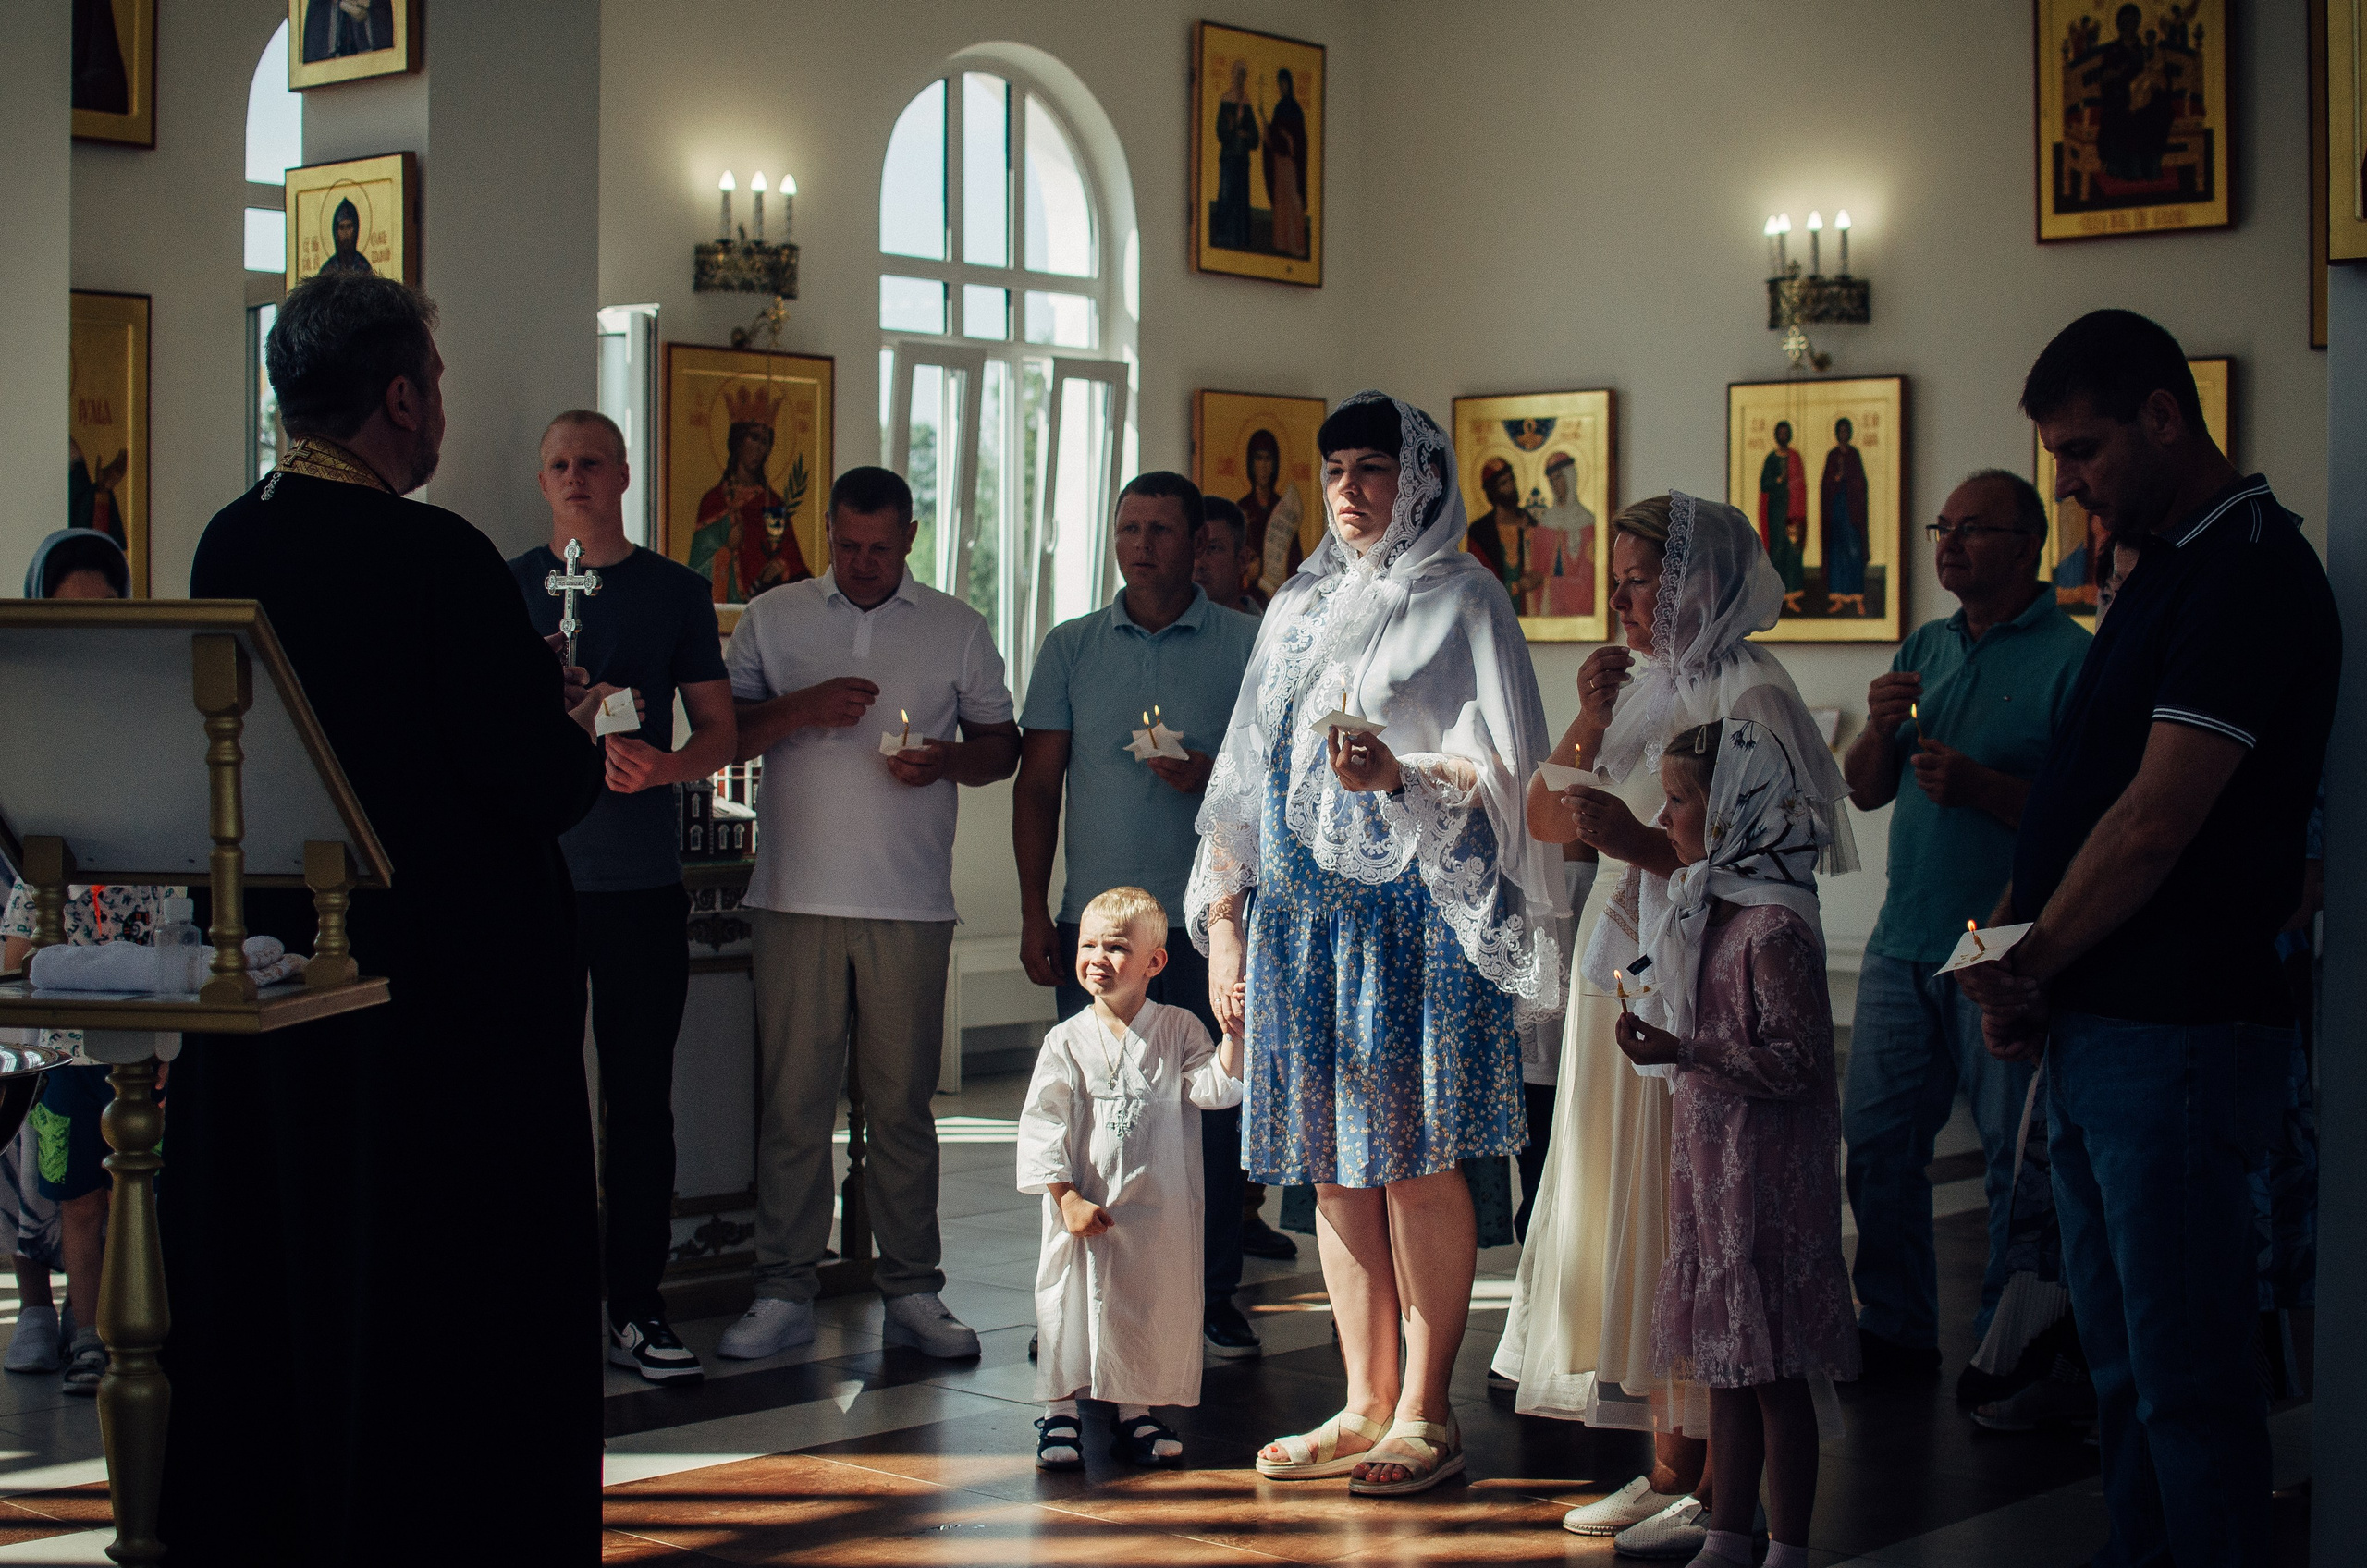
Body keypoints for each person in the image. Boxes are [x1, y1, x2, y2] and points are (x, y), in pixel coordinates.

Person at [167, 272, 612, 1564]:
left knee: (292, 1267)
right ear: (403, 396)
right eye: (436, 387)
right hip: (443, 1007)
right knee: (438, 1295)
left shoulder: (229, 539)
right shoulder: (439, 554)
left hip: (286, 976)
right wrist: (563, 717)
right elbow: (528, 784)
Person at [1959, 309, 2338, 1567]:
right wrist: (2018, 949)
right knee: (2118, 1375)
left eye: (2083, 454)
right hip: (2102, 1025)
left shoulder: (2253, 571)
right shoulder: (2161, 565)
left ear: (2164, 417)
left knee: (2185, 1380)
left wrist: (2034, 957)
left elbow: (2157, 821)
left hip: (2177, 1034)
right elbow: (2086, 785)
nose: (2068, 486)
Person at [1193, 391, 1564, 1497]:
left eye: (1374, 468)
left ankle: (1426, 1408)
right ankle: (1360, 1401)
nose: (1350, 490)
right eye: (1336, 468)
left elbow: (1510, 776)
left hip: (1411, 920)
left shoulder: (1466, 600)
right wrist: (1222, 922)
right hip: (1302, 921)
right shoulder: (1296, 605)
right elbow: (1241, 781)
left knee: (1410, 1161)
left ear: (1423, 480)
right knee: (1333, 1166)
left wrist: (1396, 773)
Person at [1499, 492, 1854, 1558]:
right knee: (1647, 1220)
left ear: (1698, 582)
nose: (1622, 597)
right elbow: (1544, 816)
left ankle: (1708, 1476)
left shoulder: (1752, 688)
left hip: (1705, 982)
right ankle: (1667, 1463)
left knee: (1700, 1220)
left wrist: (1646, 851)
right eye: (1616, 578)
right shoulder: (1647, 684)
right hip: (1633, 969)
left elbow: (1767, 863)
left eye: (1640, 578)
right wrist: (1590, 717)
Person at [717, 466, 1021, 1363]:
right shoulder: (774, 617)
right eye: (846, 546)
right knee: (794, 1104)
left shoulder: (957, 629)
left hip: (909, 904)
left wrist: (945, 762)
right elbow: (721, 735)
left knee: (898, 1107)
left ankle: (914, 1290)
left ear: (910, 538)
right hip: (792, 899)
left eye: (878, 549)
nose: (859, 563)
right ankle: (782, 1289)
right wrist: (804, 708)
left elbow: (1000, 748)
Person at [1837, 469, 2090, 1378]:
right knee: (1875, 1142)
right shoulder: (1926, 645)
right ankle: (1896, 1329)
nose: (1947, 542)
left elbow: (2092, 819)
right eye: (1942, 525)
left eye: (1972, 528)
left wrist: (1984, 788)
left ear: (2026, 544)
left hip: (2000, 943)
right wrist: (1874, 728)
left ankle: (2006, 1348)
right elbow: (1863, 789)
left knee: (2011, 1165)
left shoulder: (2071, 657)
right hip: (1904, 936)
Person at [1012, 470, 1265, 1354]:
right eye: (1129, 529)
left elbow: (1286, 780)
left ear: (1197, 544)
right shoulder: (1073, 647)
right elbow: (1038, 785)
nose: (1142, 546)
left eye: (1162, 530)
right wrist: (1035, 911)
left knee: (1212, 1110)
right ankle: (1081, 1300)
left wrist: (1214, 782)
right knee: (1093, 1111)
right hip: (1100, 929)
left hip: (1210, 928)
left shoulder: (1246, 642)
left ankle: (1208, 1295)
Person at [507, 410, 737, 1383]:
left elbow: (721, 730)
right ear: (542, 478)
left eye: (591, 462)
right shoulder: (508, 586)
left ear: (625, 473)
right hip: (532, 879)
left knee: (640, 1099)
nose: (575, 478)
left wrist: (665, 765)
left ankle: (637, 1306)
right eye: (558, 464)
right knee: (530, 1097)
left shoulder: (673, 591)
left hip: (639, 880)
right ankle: (538, 1302)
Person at [1613, 719, 1858, 1568]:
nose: (1666, 815)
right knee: (1727, 1365)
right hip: (1716, 1169)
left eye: (1681, 799)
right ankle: (1726, 1532)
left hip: (1770, 1181)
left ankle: (1786, 1543)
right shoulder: (1713, 908)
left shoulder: (1772, 928)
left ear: (1734, 814)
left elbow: (1797, 1062)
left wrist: (1685, 1049)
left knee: (1777, 1376)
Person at [0, 530, 166, 1393]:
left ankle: (95, 1322)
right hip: (35, 973)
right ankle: (41, 1309)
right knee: (39, 1167)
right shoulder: (18, 707)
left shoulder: (148, 712)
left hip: (117, 971)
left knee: (107, 1173)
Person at [1019, 888, 1244, 1470]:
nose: (1096, 957)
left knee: (1146, 1303)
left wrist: (1236, 1039)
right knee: (1066, 1306)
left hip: (1156, 1208)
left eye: (1116, 947)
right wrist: (1064, 1195)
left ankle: (1135, 1410)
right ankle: (1060, 1412)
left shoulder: (1179, 1029)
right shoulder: (1065, 1041)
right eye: (1087, 944)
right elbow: (1042, 1123)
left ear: (1155, 962)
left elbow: (1213, 1092)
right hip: (1081, 1205)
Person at [1238, 429, 1304, 597]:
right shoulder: (1242, 508)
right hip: (1250, 596)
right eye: (1259, 458)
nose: (1264, 466)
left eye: (1269, 459)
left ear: (1275, 465)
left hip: (1280, 595)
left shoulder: (1285, 509)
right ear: (1251, 464)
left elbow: (1294, 558)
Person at [1536, 451, 1597, 617]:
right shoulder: (1546, 522)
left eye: (1558, 478)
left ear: (1570, 478)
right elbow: (1537, 572)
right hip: (1547, 607)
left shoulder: (1587, 521)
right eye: (1551, 480)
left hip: (1576, 606)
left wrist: (1553, 585)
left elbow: (1590, 579)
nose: (1555, 485)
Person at [1821, 418, 1870, 616]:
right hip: (1836, 512)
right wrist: (1835, 480)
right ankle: (1838, 598)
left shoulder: (1854, 455)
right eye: (1840, 430)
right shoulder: (1832, 455)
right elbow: (1825, 485)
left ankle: (1858, 598)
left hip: (1852, 513)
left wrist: (1848, 480)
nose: (1843, 434)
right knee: (1837, 554)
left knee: (1854, 553)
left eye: (1845, 430)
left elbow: (1862, 483)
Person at [1260, 68, 1310, 258]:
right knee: (1282, 201)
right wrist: (1266, 124)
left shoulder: (1295, 109)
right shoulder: (1279, 107)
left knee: (1292, 201)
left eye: (1284, 83)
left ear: (1290, 84)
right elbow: (1274, 135)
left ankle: (1295, 243)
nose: (1281, 87)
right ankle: (1282, 242)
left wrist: (1287, 139)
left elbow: (1299, 141)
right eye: (1279, 84)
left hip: (1291, 164)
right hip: (1279, 164)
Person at [1758, 421, 1808, 611]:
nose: (1784, 435)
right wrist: (1778, 480)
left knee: (1792, 552)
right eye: (1781, 432)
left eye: (1787, 432)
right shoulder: (1771, 459)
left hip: (1793, 513)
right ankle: (1777, 597)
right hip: (1776, 513)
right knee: (1777, 551)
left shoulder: (1795, 457)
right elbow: (1765, 484)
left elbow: (1801, 486)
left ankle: (1792, 596)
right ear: (1776, 435)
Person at [1210, 61, 1259, 251]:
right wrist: (1233, 128)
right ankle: (1223, 237)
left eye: (1244, 76)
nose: (1241, 79)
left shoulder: (1247, 103)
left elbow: (1254, 136)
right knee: (1226, 195)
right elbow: (1220, 132)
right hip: (1229, 157)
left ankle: (1240, 238)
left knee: (1241, 198)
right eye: (1238, 75)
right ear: (1233, 76)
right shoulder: (1226, 100)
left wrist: (1245, 135)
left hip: (1242, 159)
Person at [1195, 496, 1262, 615]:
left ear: (1242, 560)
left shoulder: (1268, 631)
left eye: (1213, 548)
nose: (1198, 563)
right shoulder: (1162, 629)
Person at [317, 198, 374, 277]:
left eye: (349, 227)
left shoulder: (363, 267)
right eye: (341, 227)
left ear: (355, 230)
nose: (345, 233)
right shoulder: (328, 269)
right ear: (336, 232)